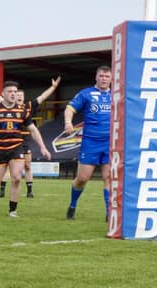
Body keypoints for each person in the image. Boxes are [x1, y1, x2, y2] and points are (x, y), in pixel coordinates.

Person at [0, 75, 61, 199]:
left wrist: (53, 87)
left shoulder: (27, 108)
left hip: (21, 143)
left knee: (23, 170)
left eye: (18, 94)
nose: (16, 96)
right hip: (1, 145)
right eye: (13, 93)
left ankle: (25, 194)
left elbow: (42, 98)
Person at [64, 65, 112, 220]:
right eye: (101, 76)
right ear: (96, 77)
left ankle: (109, 212)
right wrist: (68, 122)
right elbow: (70, 108)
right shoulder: (86, 94)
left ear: (111, 78)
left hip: (110, 143)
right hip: (90, 142)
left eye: (107, 76)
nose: (104, 79)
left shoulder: (117, 95)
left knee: (109, 177)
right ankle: (72, 205)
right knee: (82, 179)